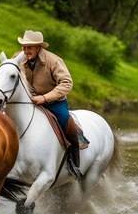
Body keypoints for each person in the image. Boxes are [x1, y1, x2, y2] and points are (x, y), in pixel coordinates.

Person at [15, 30, 86, 178]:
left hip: (54, 102)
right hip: (27, 102)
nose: (26, 50)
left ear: (38, 48)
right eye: (24, 47)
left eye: (29, 47)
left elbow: (66, 83)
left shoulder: (54, 61)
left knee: (66, 122)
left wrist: (45, 98)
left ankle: (74, 163)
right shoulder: (17, 58)